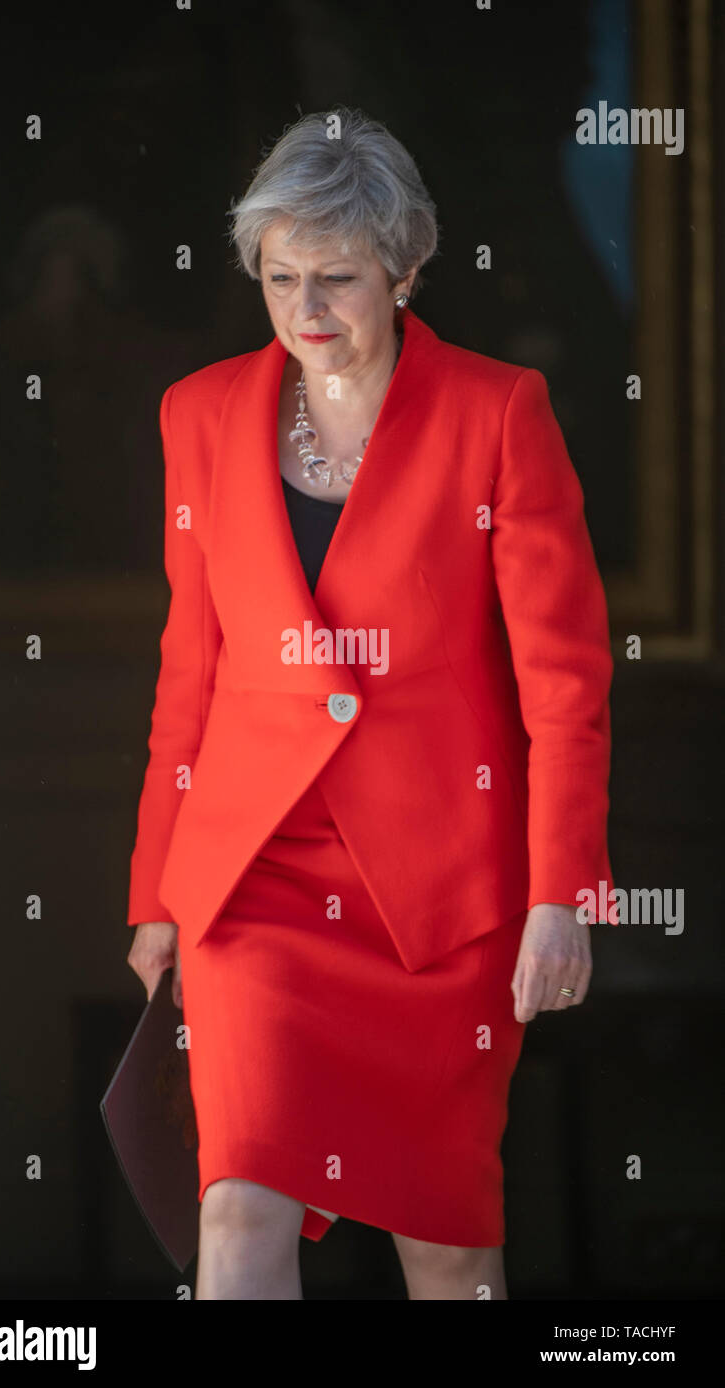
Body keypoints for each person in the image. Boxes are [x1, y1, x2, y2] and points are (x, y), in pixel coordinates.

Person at [126, 107, 615, 1301]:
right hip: (255, 881)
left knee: (446, 1249)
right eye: (280, 277)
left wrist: (561, 894)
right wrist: (156, 895)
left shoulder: (501, 413)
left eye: (338, 278)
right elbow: (187, 670)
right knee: (239, 1208)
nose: (307, 310)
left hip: (440, 897)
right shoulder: (197, 415)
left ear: (407, 265)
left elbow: (566, 680)